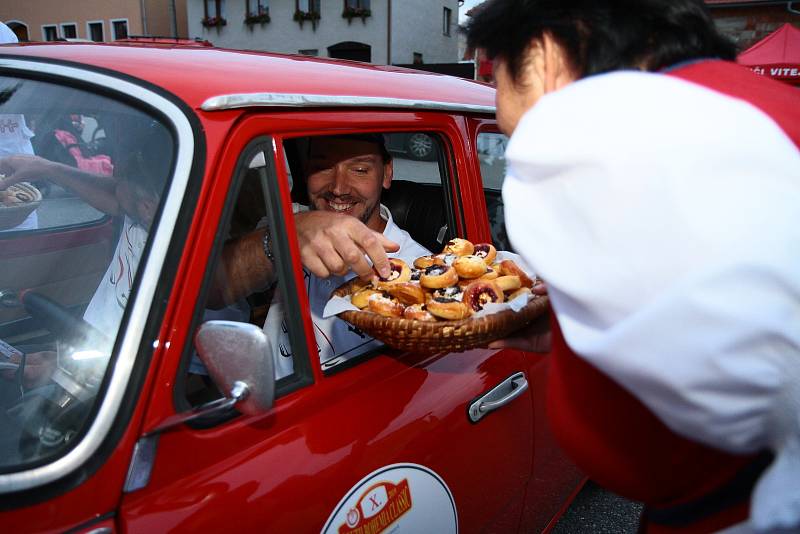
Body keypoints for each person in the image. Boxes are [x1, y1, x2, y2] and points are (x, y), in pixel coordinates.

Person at [466, 1, 800, 533]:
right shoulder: (760, 111)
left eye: (500, 83)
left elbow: (644, 446)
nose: (511, 128)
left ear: (543, 55)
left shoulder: (616, 137)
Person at [215, 134, 430, 378]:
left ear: (387, 173)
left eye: (359, 170)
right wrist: (283, 238)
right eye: (322, 167)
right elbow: (212, 289)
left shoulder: (418, 270)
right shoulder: (292, 220)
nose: (338, 188)